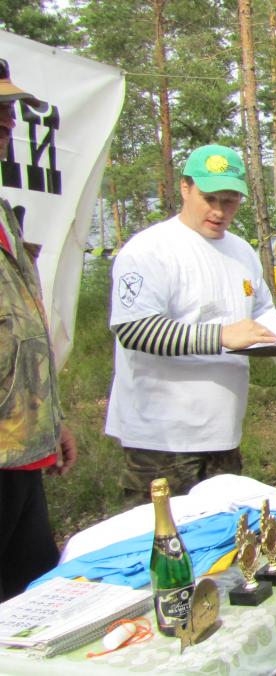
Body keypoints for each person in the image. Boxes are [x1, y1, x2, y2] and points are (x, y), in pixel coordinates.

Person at [105, 145, 276, 504]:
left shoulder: (242, 252)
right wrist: (221, 336)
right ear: (185, 188)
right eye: (209, 198)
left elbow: (263, 314)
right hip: (161, 438)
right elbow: (133, 329)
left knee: (222, 533)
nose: (219, 211)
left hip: (223, 434)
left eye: (229, 200)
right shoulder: (150, 250)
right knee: (162, 536)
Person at [0, 59, 78, 601]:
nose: (8, 121)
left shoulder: (5, 214)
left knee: (30, 598)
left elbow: (22, 333)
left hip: (19, 447)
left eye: (9, 110)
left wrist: (51, 421)